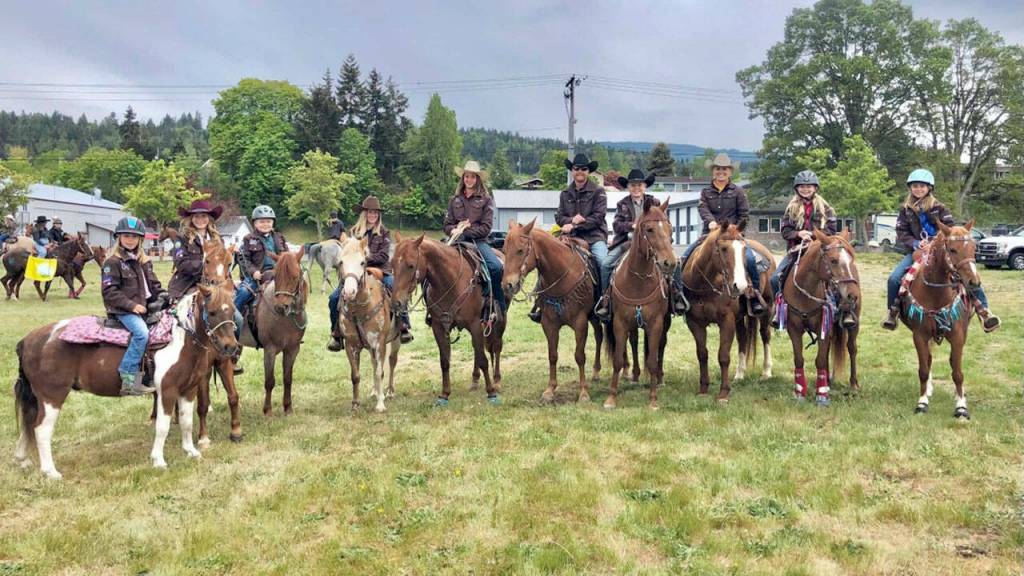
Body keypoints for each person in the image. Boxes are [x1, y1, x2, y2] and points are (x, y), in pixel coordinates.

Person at [882, 169, 1000, 332]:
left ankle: (984, 311)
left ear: (929, 188)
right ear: (910, 188)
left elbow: (950, 230)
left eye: (922, 186)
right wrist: (916, 243)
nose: (918, 189)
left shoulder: (939, 208)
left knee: (968, 275)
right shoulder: (905, 210)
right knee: (894, 279)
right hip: (916, 252)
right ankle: (892, 313)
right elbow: (902, 232)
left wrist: (933, 243)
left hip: (941, 251)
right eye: (915, 186)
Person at [677, 152, 765, 315]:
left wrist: (734, 228)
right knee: (684, 258)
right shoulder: (705, 192)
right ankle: (681, 295)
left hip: (733, 236)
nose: (721, 172)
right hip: (709, 235)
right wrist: (711, 222)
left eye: (724, 169)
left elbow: (744, 214)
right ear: (713, 171)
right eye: (718, 169)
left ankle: (754, 296)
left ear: (730, 172)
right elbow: (703, 209)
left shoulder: (738, 191)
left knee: (752, 260)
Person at [529, 153, 608, 323]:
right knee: (545, 258)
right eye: (576, 168)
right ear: (572, 171)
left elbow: (599, 217)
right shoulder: (565, 193)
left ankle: (604, 302)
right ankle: (540, 302)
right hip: (570, 236)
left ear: (589, 171)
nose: (580, 171)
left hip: (594, 236)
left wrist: (578, 224)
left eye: (583, 169)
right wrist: (571, 221)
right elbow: (559, 216)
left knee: (602, 261)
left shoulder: (598, 191)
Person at [327, 195, 413, 352]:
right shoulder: (354, 232)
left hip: (380, 270)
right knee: (333, 298)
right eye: (369, 212)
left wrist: (365, 259)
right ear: (364, 213)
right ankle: (336, 333)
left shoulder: (384, 233)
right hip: (355, 272)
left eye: (375, 212)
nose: (372, 215)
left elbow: (384, 256)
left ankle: (404, 325)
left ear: (378, 215)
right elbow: (347, 253)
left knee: (395, 287)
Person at [769, 170, 846, 327]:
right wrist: (798, 233)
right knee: (775, 278)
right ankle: (778, 310)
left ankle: (841, 310)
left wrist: (811, 235)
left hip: (820, 252)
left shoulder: (826, 208)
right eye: (802, 186)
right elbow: (785, 231)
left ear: (815, 188)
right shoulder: (791, 208)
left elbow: (831, 230)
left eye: (809, 186)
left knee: (837, 277)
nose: (806, 189)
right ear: (796, 188)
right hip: (796, 252)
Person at [101, 217, 165, 396]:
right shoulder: (112, 262)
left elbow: (153, 285)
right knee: (141, 333)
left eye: (134, 237)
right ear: (118, 238)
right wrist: (132, 306)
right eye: (126, 236)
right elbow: (109, 292)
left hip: (145, 307)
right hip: (123, 311)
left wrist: (163, 295)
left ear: (140, 240)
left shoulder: (144, 261)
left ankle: (153, 373)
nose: (130, 240)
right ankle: (128, 377)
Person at [594, 168, 662, 321]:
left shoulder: (655, 203)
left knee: (674, 262)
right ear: (628, 187)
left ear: (645, 186)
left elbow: (663, 223)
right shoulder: (622, 204)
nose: (636, 188)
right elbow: (617, 225)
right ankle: (605, 298)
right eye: (633, 185)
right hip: (626, 241)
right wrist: (633, 225)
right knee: (605, 264)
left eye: (639, 185)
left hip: (652, 242)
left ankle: (676, 295)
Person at [443, 160, 505, 317]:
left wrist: (467, 230)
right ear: (463, 178)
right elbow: (447, 225)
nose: (468, 180)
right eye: (466, 176)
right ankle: (434, 308)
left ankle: (496, 303)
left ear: (477, 179)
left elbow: (486, 227)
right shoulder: (454, 200)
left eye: (472, 177)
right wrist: (455, 230)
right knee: (432, 260)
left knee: (496, 267)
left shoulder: (486, 200)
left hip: (478, 242)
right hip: (455, 241)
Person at [235, 205, 289, 331]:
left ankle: (294, 327)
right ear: (254, 223)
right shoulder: (249, 239)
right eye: (261, 221)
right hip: (257, 277)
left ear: (273, 223)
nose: (265, 224)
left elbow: (287, 256)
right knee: (243, 293)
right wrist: (253, 272)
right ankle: (233, 321)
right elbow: (243, 259)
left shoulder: (279, 238)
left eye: (268, 221)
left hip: (278, 275)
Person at [167, 199, 225, 301]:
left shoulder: (218, 240)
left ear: (209, 218)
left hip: (215, 284)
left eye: (203, 216)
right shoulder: (181, 239)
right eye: (196, 216)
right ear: (191, 219)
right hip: (187, 285)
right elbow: (182, 264)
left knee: (234, 314)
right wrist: (207, 266)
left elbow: (223, 265)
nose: (200, 219)